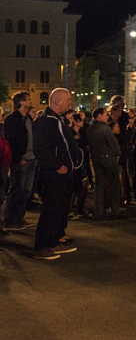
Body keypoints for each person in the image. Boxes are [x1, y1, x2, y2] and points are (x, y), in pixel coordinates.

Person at [32, 88, 83, 260]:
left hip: (63, 173)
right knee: (50, 210)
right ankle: (42, 247)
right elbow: (42, 149)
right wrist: (58, 165)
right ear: (57, 101)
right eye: (68, 99)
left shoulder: (58, 120)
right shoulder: (47, 121)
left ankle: (53, 242)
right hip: (54, 174)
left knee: (59, 209)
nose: (70, 102)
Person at [4, 92, 36, 230]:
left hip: (32, 158)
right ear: (21, 103)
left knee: (26, 191)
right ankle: (10, 220)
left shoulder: (28, 117)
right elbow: (10, 141)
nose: (30, 101)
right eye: (28, 99)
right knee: (16, 189)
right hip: (21, 159)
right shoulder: (13, 119)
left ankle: (19, 217)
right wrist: (18, 158)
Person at [88, 107, 124, 220]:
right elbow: (113, 144)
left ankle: (98, 211)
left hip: (96, 158)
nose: (107, 117)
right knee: (114, 184)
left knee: (99, 185)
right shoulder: (105, 129)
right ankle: (115, 211)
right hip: (108, 158)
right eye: (105, 114)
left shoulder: (89, 129)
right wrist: (118, 154)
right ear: (99, 116)